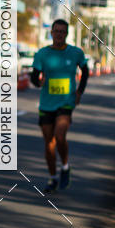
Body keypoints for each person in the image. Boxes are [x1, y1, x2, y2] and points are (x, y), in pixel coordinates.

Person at [31, 19, 88, 193]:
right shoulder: (42, 54)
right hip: (47, 104)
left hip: (66, 102)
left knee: (59, 135)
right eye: (56, 31)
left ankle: (65, 166)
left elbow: (85, 71)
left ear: (67, 34)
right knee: (49, 143)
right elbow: (34, 77)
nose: (59, 34)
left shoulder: (76, 53)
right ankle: (53, 177)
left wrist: (79, 92)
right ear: (51, 33)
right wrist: (39, 82)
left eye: (62, 32)